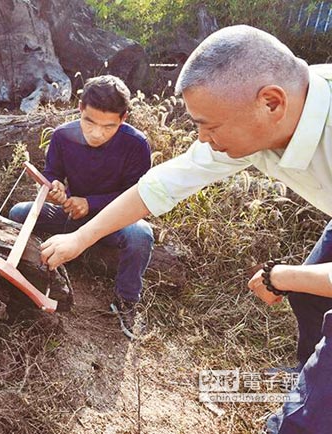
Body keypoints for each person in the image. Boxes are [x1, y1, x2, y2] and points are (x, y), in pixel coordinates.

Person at [40, 25, 332, 433]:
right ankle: (306, 379)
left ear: (271, 102)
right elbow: (158, 186)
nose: (202, 139)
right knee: (310, 303)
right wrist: (79, 238)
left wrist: (282, 276)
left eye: (209, 126)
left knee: (311, 417)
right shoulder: (252, 121)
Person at [9, 75, 154, 339]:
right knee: (19, 212)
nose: (97, 133)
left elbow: (138, 196)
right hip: (70, 215)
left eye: (108, 126)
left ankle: (126, 300)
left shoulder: (136, 144)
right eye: (90, 122)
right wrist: (55, 187)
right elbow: (52, 172)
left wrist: (91, 203)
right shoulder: (63, 136)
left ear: (123, 118)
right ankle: (33, 274)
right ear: (80, 109)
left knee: (141, 234)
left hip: (115, 221)